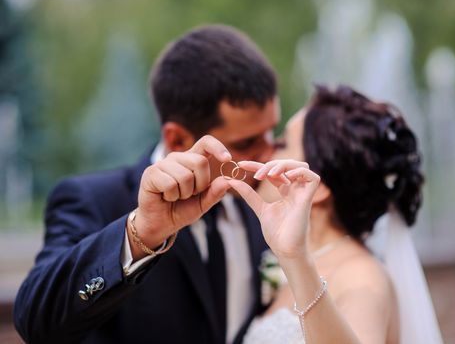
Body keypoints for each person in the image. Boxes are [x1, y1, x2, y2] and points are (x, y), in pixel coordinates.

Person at [14, 25, 280, 344]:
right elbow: (34, 320)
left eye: (271, 132)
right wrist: (141, 233)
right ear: (177, 138)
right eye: (249, 141)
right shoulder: (94, 199)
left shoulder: (259, 209)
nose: (269, 152)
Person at [231, 85, 443, 343]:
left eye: (283, 144)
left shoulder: (362, 276)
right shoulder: (299, 262)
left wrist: (296, 258)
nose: (267, 151)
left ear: (317, 187)